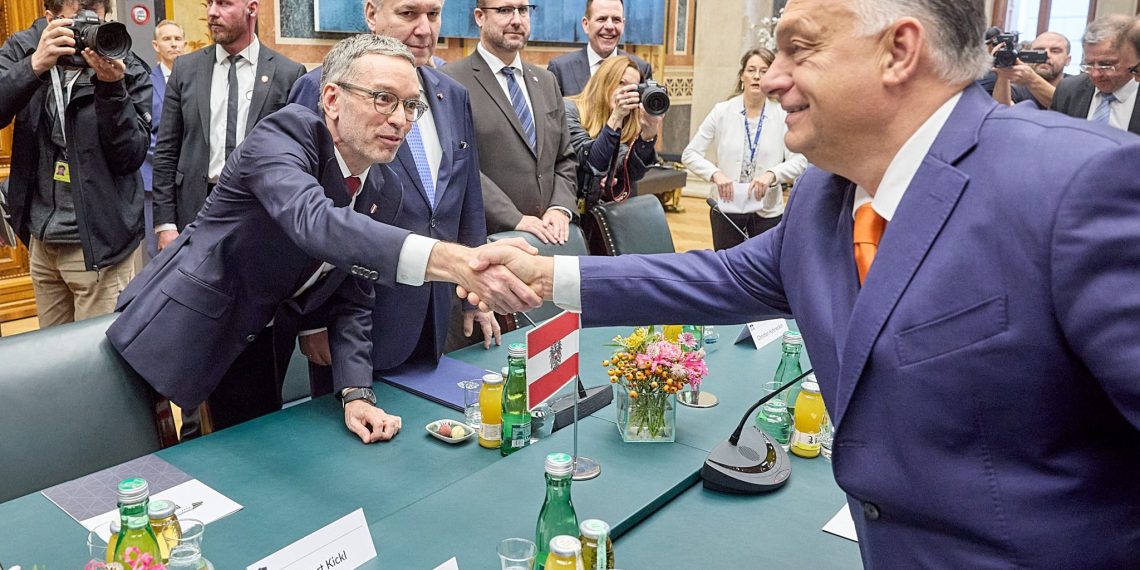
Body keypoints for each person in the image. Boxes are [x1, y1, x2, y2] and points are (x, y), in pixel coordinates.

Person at [467, 0, 1140, 566]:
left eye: (798, 49)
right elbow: (716, 276)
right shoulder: (826, 195)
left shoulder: (1078, 186)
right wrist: (544, 273)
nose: (774, 78)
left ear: (899, 51)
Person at [108, 34, 539, 444]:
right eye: (383, 99)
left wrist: (356, 393)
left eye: (411, 106)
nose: (400, 120)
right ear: (332, 99)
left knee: (248, 467)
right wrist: (453, 260)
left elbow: (353, 296)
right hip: (182, 329)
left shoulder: (384, 188)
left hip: (263, 338)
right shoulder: (284, 134)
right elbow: (314, 222)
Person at [287, 0, 498, 396]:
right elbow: (307, 213)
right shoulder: (321, 88)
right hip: (355, 322)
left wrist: (476, 293)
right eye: (408, 14)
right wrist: (312, 320)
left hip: (433, 311)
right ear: (371, 14)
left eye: (433, 15)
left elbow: (466, 196)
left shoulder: (452, 94)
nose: (424, 29)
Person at [0, 0, 150, 328]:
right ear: (49, 19)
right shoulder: (25, 49)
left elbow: (131, 156)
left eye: (92, 21)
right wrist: (35, 66)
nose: (86, 34)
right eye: (75, 24)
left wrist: (112, 90)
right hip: (42, 239)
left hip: (100, 245)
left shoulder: (125, 63)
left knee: (93, 360)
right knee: (53, 355)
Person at [151, 0, 306, 250]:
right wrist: (166, 224)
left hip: (259, 212)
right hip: (194, 211)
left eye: (224, 4)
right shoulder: (185, 69)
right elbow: (167, 151)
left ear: (252, 9)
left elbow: (296, 158)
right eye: (209, 3)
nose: (212, 12)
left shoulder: (288, 73)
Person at [443, 1, 578, 245]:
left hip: (549, 239)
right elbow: (457, 165)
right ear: (479, 16)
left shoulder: (546, 81)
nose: (517, 20)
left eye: (523, 10)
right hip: (486, 242)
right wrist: (515, 219)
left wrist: (560, 207)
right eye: (504, 10)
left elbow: (564, 158)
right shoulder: (451, 82)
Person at [682, 48, 807, 250]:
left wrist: (771, 174)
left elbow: (800, 160)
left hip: (766, 210)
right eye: (751, 70)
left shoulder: (783, 115)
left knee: (763, 270)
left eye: (764, 71)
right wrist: (715, 174)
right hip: (726, 206)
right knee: (727, 268)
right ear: (742, 76)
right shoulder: (722, 111)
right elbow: (690, 154)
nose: (757, 76)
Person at [563, 56, 661, 252]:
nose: (625, 91)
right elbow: (592, 160)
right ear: (604, 81)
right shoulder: (569, 109)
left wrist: (648, 133)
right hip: (568, 217)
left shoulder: (627, 121)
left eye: (633, 87)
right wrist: (616, 117)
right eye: (621, 83)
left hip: (604, 220)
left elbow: (628, 170)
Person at [140, 19, 185, 259]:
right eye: (167, 39)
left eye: (177, 39)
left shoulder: (192, 80)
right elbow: (143, 134)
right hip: (153, 179)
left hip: (187, 179)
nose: (173, 44)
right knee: (158, 250)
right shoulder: (145, 83)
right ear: (156, 46)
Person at [1050, 15, 1140, 134]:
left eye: (1106, 64)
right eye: (1089, 64)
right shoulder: (1068, 89)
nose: (1095, 74)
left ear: (1132, 58)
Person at [546, 0, 653, 97]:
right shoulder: (560, 69)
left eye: (616, 20)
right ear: (586, 24)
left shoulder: (641, 68)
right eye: (602, 19)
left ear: (623, 25)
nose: (610, 26)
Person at [991, 31, 1070, 109]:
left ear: (1068, 60)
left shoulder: (1076, 87)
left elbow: (1069, 106)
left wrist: (1031, 79)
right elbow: (1002, 112)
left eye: (1055, 51)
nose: (1047, 55)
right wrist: (1003, 71)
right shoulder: (1018, 88)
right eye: (1039, 50)